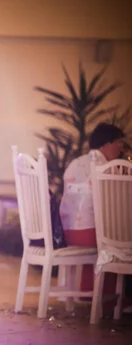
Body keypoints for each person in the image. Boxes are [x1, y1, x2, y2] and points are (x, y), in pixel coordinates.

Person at [59, 123, 125, 295]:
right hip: (88, 234)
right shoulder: (107, 168)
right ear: (106, 143)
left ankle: (89, 290)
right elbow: (117, 206)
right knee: (118, 238)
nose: (121, 148)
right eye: (119, 142)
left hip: (67, 231)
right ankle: (107, 296)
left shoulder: (76, 162)